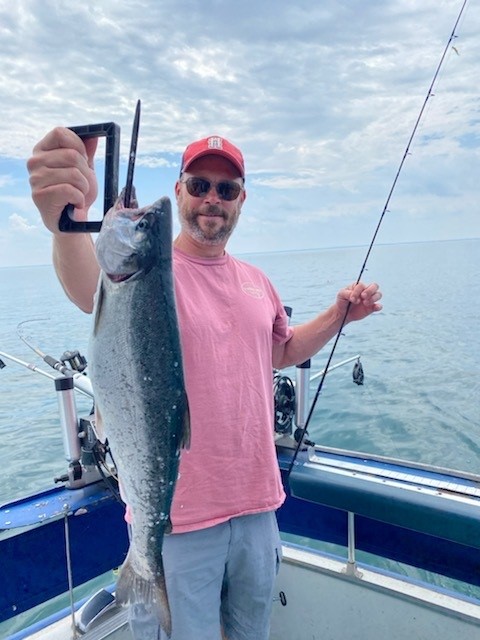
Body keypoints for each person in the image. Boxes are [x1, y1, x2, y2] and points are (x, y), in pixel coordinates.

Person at [28, 130, 382, 640]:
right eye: (199, 185)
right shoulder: (147, 274)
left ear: (241, 200)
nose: (212, 199)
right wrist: (64, 226)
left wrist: (339, 315)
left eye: (226, 188)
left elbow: (281, 351)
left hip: (259, 508)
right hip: (175, 522)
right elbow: (89, 289)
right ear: (178, 190)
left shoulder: (256, 281)